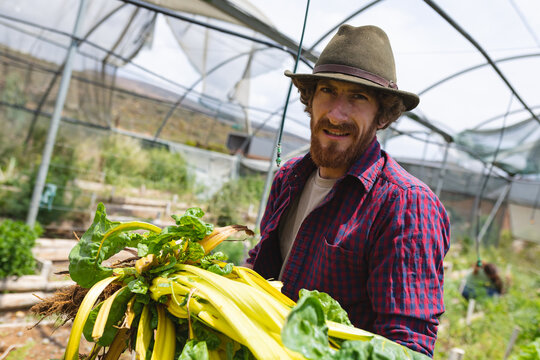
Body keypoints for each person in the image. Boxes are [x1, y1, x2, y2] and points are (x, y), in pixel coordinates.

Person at [245, 24, 450, 357]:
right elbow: (260, 271)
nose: (337, 114)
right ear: (310, 100)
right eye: (327, 90)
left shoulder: (405, 204)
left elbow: (405, 346)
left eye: (358, 96)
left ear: (382, 115)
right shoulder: (289, 178)